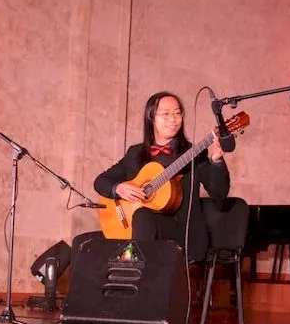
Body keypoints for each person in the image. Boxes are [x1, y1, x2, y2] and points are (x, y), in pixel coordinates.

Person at [94, 91, 230, 262]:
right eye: (166, 114)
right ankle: (127, 271)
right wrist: (118, 188)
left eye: (177, 113)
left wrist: (216, 161)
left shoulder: (193, 153)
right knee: (83, 244)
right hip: (138, 231)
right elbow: (101, 181)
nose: (173, 119)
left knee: (143, 215)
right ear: (151, 118)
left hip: (183, 234)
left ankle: (129, 270)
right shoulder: (135, 153)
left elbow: (220, 195)